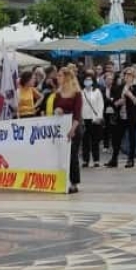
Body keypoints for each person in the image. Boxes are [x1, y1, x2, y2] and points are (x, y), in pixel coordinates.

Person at [52, 66, 83, 194]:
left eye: (60, 75)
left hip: (73, 126)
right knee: (61, 155)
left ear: (66, 77)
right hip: (61, 128)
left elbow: (77, 113)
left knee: (72, 156)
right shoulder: (58, 94)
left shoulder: (77, 93)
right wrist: (57, 110)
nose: (57, 78)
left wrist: (73, 128)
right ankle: (62, 180)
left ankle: (74, 182)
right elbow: (54, 108)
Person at [106, 66, 136, 168]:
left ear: (133, 76)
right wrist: (117, 102)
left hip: (132, 117)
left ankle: (130, 159)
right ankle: (114, 159)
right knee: (117, 138)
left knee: (132, 138)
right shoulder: (120, 87)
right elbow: (114, 101)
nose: (127, 76)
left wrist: (130, 95)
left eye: (129, 74)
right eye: (126, 74)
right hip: (121, 116)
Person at [81, 73, 105, 167]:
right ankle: (85, 160)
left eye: (89, 79)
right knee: (85, 141)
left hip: (94, 119)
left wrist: (99, 117)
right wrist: (81, 119)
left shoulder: (97, 91)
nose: (88, 81)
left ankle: (96, 160)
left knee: (95, 141)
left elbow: (100, 105)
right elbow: (80, 106)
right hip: (84, 119)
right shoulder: (81, 92)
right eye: (86, 79)